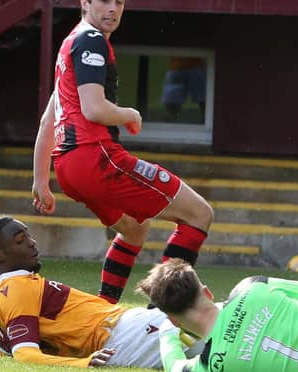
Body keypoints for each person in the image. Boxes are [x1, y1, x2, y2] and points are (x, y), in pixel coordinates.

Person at [32, 0, 214, 305]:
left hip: (68, 167)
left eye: (119, 2)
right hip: (96, 158)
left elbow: (48, 119)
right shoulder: (91, 40)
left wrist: (41, 179)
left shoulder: (70, 43)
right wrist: (130, 114)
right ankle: (161, 310)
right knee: (200, 214)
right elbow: (94, 109)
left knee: (134, 228)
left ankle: (103, 311)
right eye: (104, 1)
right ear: (85, 3)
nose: (113, 9)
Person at [0, 216, 203, 368]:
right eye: (20, 240)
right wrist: (84, 363)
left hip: (125, 327)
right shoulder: (15, 288)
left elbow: (6, 350)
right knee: (220, 329)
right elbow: (24, 354)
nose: (32, 243)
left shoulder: (11, 288)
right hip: (121, 336)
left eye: (28, 235)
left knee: (220, 326)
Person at [136, 258, 298, 372]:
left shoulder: (209, 367)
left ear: (173, 320)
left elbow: (176, 368)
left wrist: (167, 335)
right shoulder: (252, 286)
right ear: (207, 293)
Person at [160, 57, 207, 122]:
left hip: (197, 65)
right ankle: (171, 117)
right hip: (176, 65)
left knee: (203, 96)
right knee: (171, 97)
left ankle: (207, 118)